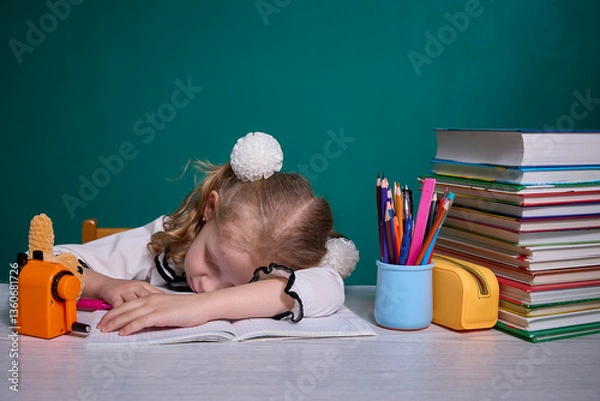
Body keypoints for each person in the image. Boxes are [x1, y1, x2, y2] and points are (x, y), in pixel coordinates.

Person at [54, 132, 359, 336]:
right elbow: (42, 260)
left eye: (235, 284)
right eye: (212, 262)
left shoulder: (282, 268)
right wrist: (104, 285)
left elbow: (328, 287)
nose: (209, 286)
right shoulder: (162, 242)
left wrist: (198, 308)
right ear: (210, 209)